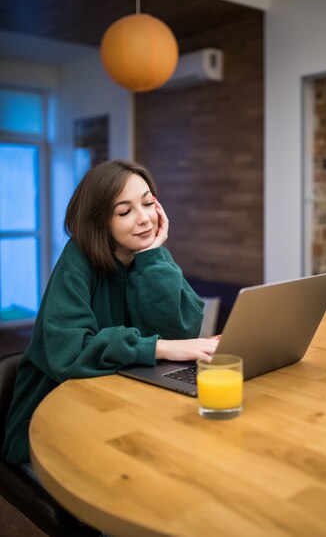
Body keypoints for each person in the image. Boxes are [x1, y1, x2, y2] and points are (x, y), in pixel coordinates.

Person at [3, 159, 217, 465]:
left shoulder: (153, 255)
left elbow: (181, 332)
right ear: (100, 221)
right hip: (48, 419)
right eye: (125, 211)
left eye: (148, 203)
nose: (144, 219)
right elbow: (69, 352)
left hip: (122, 402)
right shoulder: (77, 260)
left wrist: (153, 259)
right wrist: (158, 346)